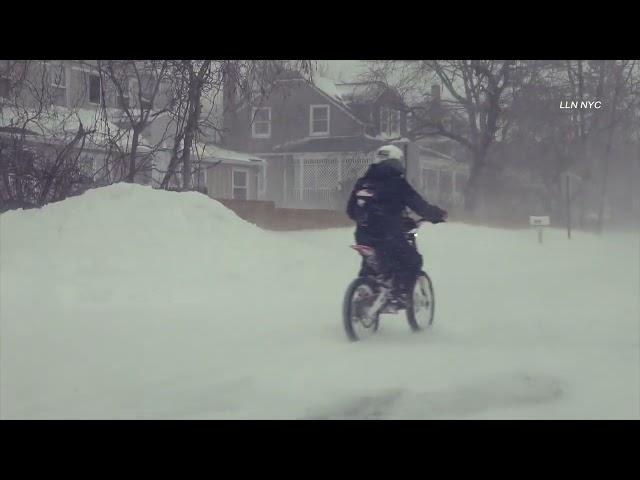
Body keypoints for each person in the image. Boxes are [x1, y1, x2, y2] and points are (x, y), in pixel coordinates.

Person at [346, 144, 447, 304]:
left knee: (371, 266)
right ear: (396, 163)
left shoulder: (363, 182)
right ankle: (399, 294)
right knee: (412, 260)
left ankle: (361, 300)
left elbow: (351, 211)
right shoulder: (397, 183)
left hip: (363, 236)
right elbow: (419, 205)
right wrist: (437, 214)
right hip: (388, 236)